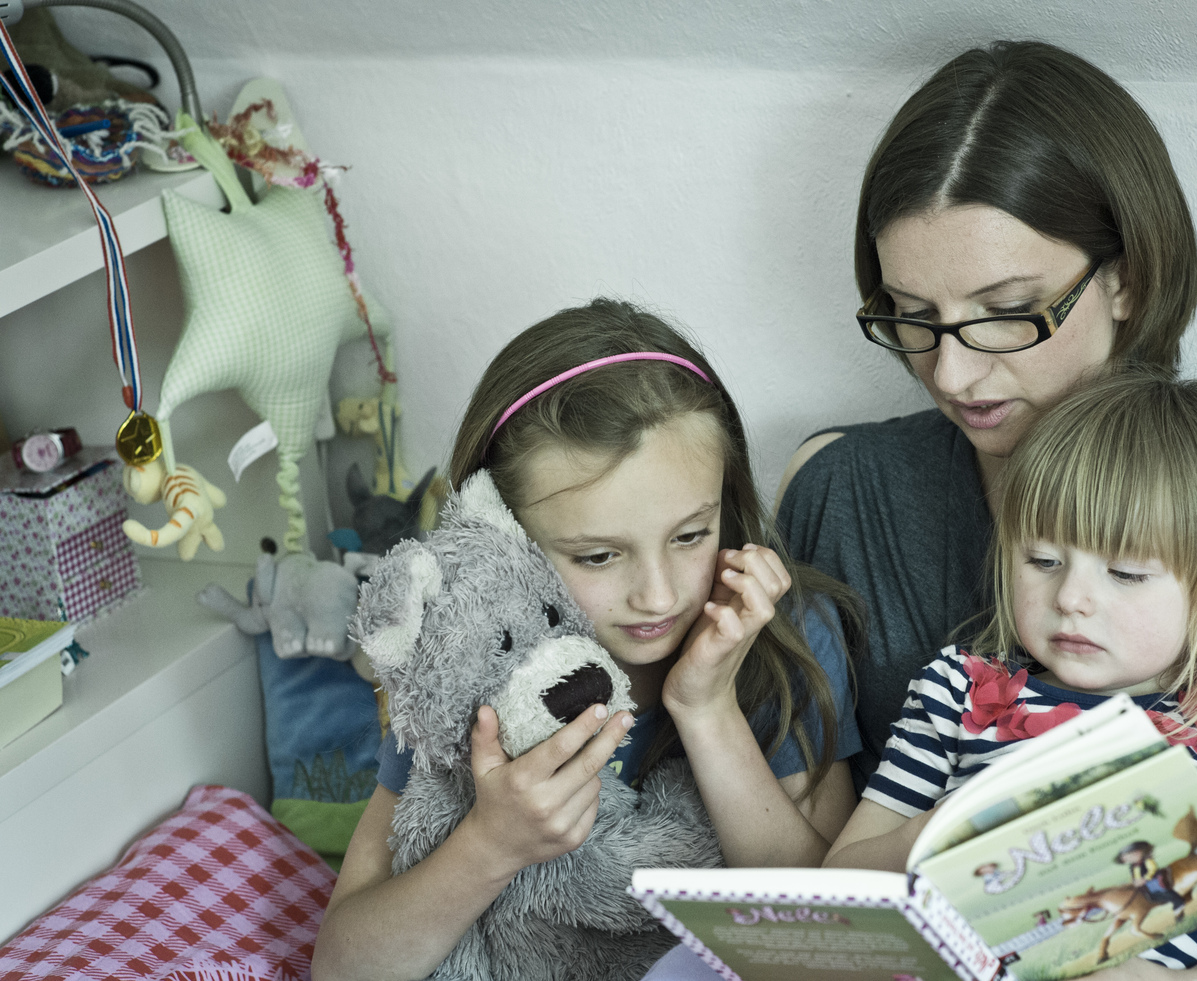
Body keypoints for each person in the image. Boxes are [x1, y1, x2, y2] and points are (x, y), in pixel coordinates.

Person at [776, 39, 1197, 981]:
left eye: (1008, 310)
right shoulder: (847, 491)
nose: (951, 373)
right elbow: (825, 890)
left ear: (1126, 277)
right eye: (912, 316)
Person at [313, 299, 862, 981]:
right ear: (502, 536)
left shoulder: (784, 633)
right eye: (599, 556)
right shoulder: (470, 658)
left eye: (691, 534)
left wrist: (707, 708)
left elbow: (833, 948)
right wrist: (490, 844)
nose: (659, 595)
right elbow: (343, 967)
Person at [825, 372, 1197, 966]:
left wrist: (1163, 799)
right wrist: (926, 838)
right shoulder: (959, 690)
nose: (1071, 597)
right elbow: (840, 889)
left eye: (1126, 573)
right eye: (1043, 560)